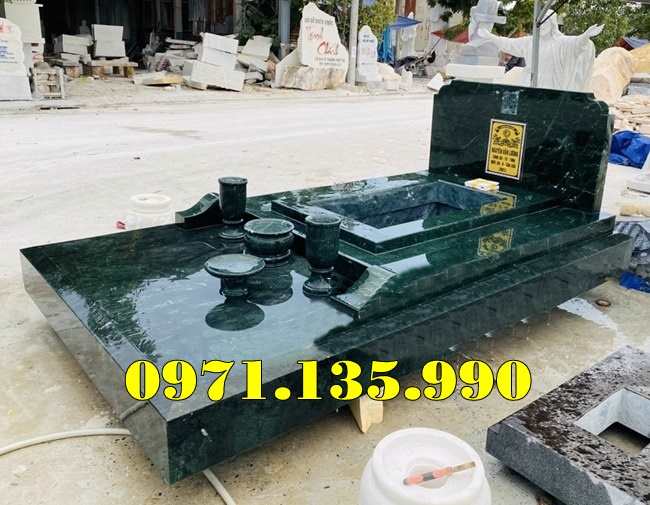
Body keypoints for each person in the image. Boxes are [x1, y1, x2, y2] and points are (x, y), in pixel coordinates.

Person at [470, 12, 603, 92]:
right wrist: (491, 37)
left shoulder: (561, 42)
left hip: (552, 86)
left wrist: (586, 35)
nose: (542, 26)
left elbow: (576, 43)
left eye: (545, 23)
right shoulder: (531, 42)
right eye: (540, 23)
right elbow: (509, 44)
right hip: (530, 84)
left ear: (552, 24)